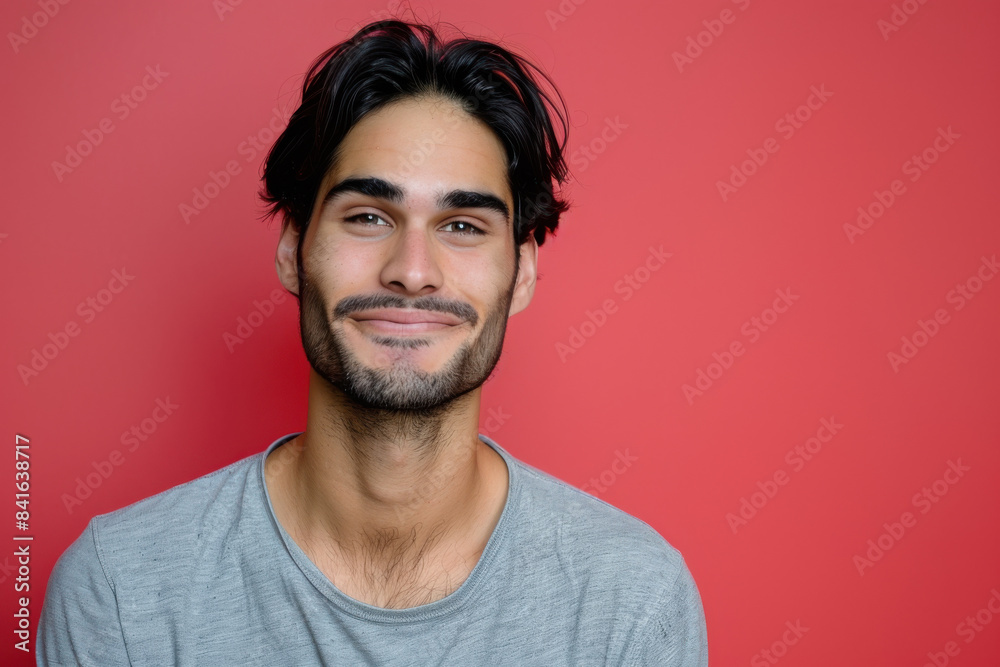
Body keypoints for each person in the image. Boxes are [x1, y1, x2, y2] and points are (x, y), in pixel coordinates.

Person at [37, 18, 708, 666]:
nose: (412, 271)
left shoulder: (631, 599)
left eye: (464, 226)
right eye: (367, 216)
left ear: (523, 270)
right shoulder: (122, 589)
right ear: (294, 248)